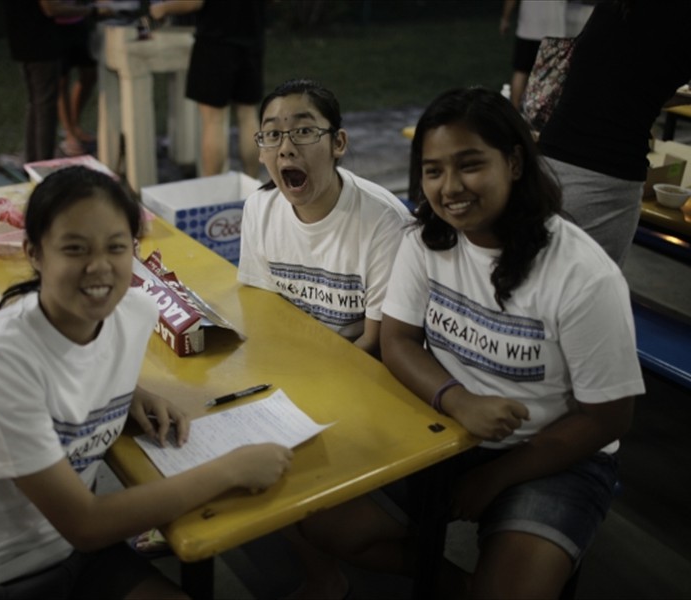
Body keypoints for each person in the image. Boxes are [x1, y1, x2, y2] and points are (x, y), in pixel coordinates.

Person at [0, 166, 293, 599]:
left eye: (116, 246)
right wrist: (230, 469)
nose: (100, 266)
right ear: (34, 253)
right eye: (75, 248)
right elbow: (86, 523)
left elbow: (80, 364)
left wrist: (129, 394)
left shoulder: (132, 314)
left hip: (67, 551)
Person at [379, 87, 645, 597]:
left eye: (470, 165)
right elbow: (398, 340)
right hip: (446, 427)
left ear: (515, 163)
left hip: (555, 453)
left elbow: (609, 418)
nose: (450, 187)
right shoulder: (426, 239)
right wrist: (458, 400)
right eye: (433, 171)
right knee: (331, 524)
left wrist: (496, 475)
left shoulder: (582, 274)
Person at [237, 79, 412, 357]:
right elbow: (263, 305)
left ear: (338, 143)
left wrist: (314, 375)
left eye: (304, 131)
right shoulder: (259, 209)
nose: (285, 148)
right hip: (291, 357)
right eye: (272, 134)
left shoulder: (385, 223)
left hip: (355, 367)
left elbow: (375, 341)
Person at [538, 0, 691, 266]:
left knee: (530, 279)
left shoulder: (618, 6)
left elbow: (618, 81)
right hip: (605, 180)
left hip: (545, 165)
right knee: (584, 288)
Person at [149, 0, 266, 178]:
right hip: (252, 42)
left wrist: (162, 8)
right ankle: (253, 182)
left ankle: (213, 186)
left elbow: (194, 2)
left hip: (215, 43)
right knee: (248, 116)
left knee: (214, 121)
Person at [4, 1, 95, 163]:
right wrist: (90, 10)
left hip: (23, 42)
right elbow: (51, 8)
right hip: (41, 44)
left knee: (36, 104)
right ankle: (44, 161)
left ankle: (32, 160)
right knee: (45, 107)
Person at [499, 0, 567, 110]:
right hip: (554, 29)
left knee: (521, 72)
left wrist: (505, 18)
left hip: (528, 28)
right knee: (551, 78)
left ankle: (514, 113)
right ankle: (544, 114)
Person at [56, 9, 98, 156]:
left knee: (90, 73)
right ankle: (69, 132)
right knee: (61, 80)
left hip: (78, 22)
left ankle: (74, 125)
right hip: (56, 26)